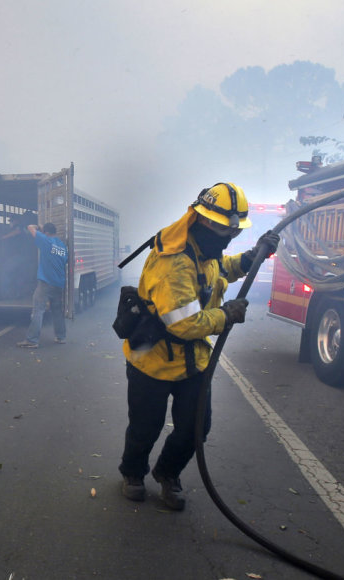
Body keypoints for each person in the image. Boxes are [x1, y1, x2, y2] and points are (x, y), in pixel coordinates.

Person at [118, 182, 279, 511]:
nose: (229, 238)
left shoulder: (205, 249)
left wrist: (253, 257)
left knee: (195, 428)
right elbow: (183, 324)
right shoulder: (174, 261)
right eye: (225, 231)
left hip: (192, 364)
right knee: (145, 427)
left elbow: (219, 270)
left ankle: (167, 473)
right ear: (203, 220)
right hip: (153, 361)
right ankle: (133, 473)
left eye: (234, 233)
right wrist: (224, 315)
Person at [17, 222, 68, 348]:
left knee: (38, 310)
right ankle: (61, 337)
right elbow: (65, 262)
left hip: (45, 282)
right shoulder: (62, 247)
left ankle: (32, 340)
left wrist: (38, 227)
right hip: (59, 283)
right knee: (57, 311)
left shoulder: (46, 241)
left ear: (46, 233)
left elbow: (29, 227)